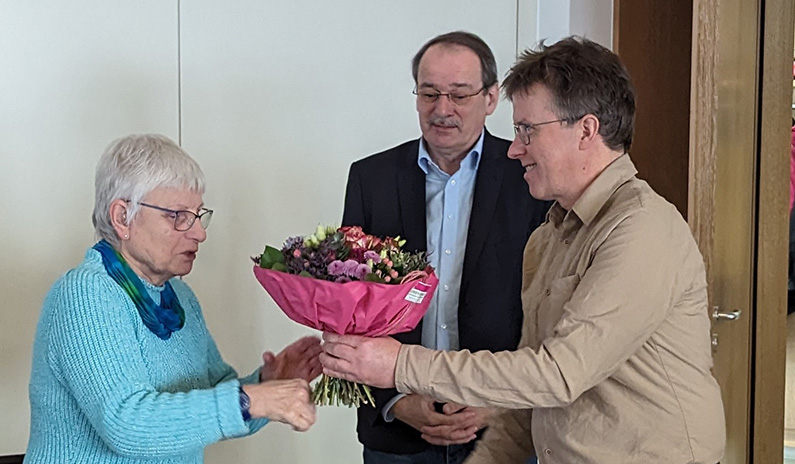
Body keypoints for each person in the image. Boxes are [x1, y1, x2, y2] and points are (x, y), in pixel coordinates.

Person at [322, 36, 726, 464]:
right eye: (517, 132)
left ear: (586, 130)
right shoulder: (550, 235)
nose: (514, 149)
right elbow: (524, 410)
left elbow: (557, 373)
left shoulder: (641, 228)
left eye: (527, 131)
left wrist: (400, 364)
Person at [24, 134, 321, 463]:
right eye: (178, 216)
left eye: (198, 215)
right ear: (123, 217)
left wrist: (268, 381)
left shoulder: (180, 297)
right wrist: (254, 399)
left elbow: (214, 404)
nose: (200, 232)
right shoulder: (85, 293)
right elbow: (127, 425)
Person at [341, 31, 549, 464]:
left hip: (502, 430)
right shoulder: (372, 179)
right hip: (398, 432)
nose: (442, 109)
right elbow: (349, 309)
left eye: (459, 94)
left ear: (492, 98)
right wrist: (395, 399)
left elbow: (548, 310)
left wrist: (501, 400)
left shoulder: (531, 180)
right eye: (430, 93)